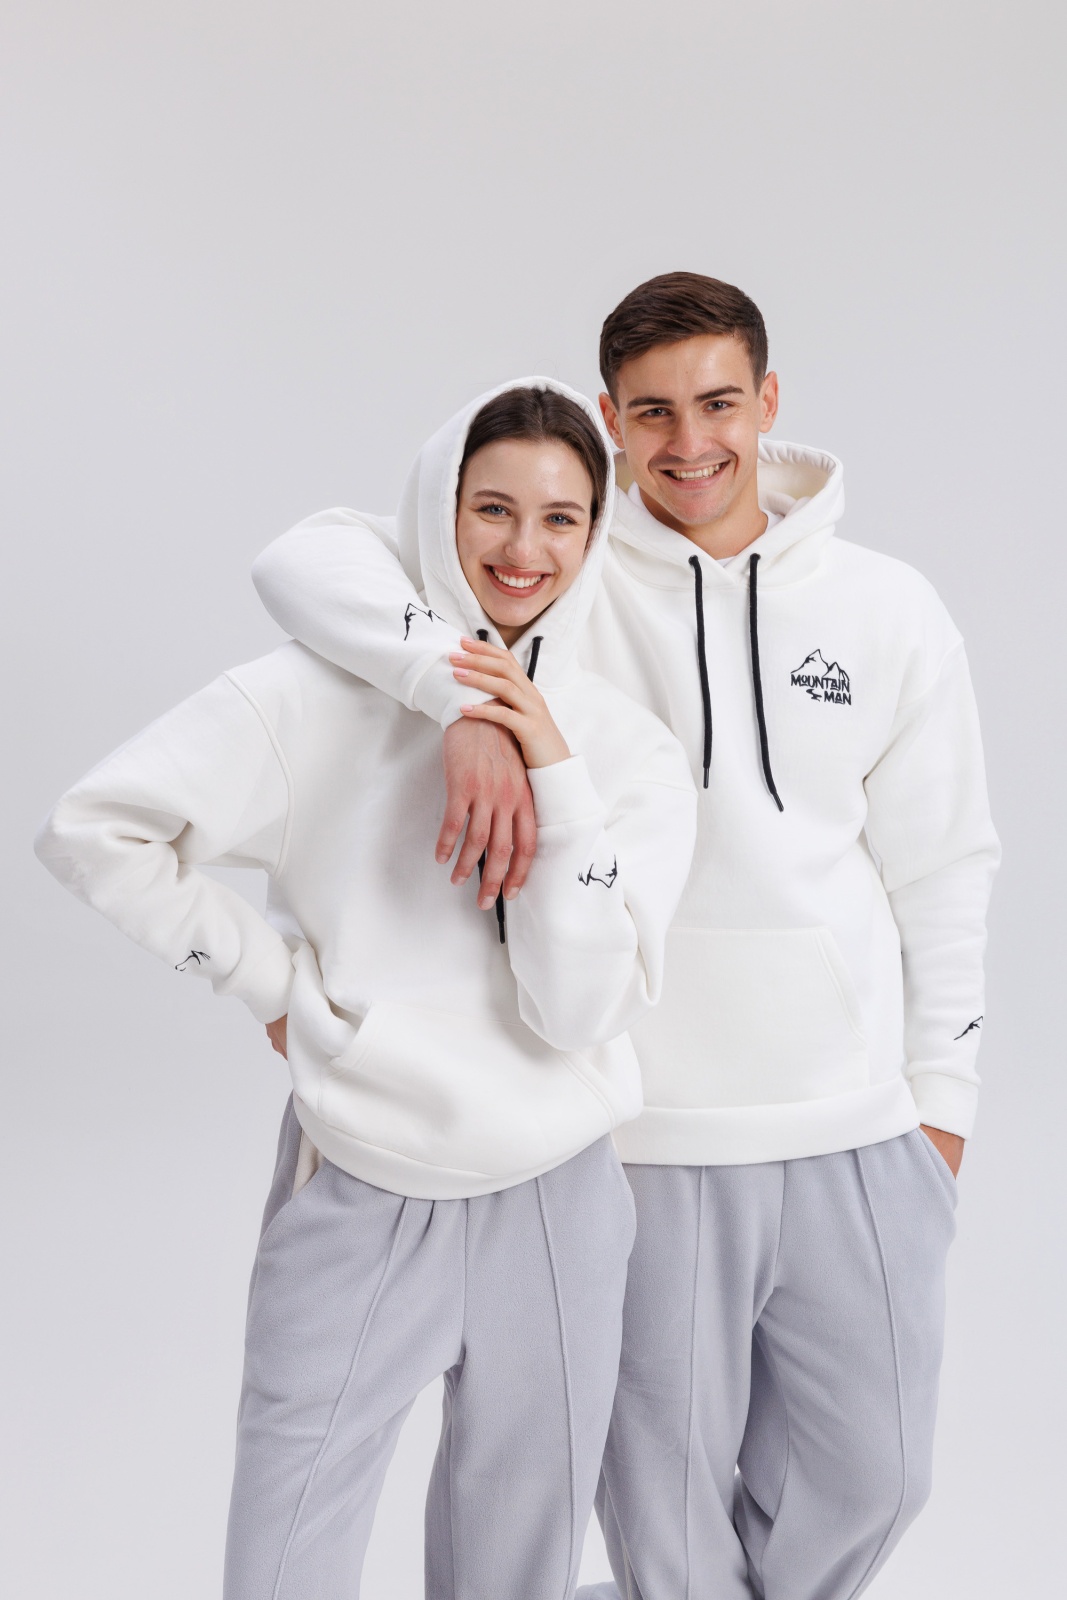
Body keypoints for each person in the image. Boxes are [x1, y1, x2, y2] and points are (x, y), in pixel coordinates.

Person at [251, 274, 1001, 1600]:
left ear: (767, 402)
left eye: (717, 403)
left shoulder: (886, 608)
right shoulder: (563, 579)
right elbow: (307, 558)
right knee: (662, 1527)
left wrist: (939, 1108)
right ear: (608, 420)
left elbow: (943, 865)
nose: (688, 440)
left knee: (876, 1481)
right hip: (637, 1137)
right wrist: (463, 696)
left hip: (859, 1128)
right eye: (650, 412)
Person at [35, 379, 697, 1600]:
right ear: (436, 510)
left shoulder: (628, 752)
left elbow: (577, 1011)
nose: (522, 547)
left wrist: (548, 772)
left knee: (515, 1575)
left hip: (560, 1200)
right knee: (283, 1565)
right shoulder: (312, 694)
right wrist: (264, 982)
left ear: (596, 532)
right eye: (490, 508)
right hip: (359, 1176)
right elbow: (95, 829)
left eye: (560, 517)